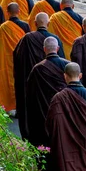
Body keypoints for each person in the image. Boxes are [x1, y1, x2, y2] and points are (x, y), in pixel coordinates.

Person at [13, 12, 65, 140]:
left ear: (35, 23)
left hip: (32, 84)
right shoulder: (55, 40)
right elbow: (62, 62)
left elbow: (17, 59)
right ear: (48, 24)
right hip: (52, 87)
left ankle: (32, 138)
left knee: (33, 113)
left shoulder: (27, 39)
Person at [25, 37, 69, 148]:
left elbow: (30, 94)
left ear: (44, 49)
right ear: (58, 48)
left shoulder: (37, 69)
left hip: (42, 112)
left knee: (45, 145)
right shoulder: (67, 66)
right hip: (63, 111)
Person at [0, 3, 30, 114]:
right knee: (20, 82)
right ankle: (19, 107)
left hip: (7, 61)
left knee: (8, 82)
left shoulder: (3, 27)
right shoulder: (25, 26)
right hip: (21, 60)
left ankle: (8, 104)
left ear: (7, 13)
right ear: (19, 11)